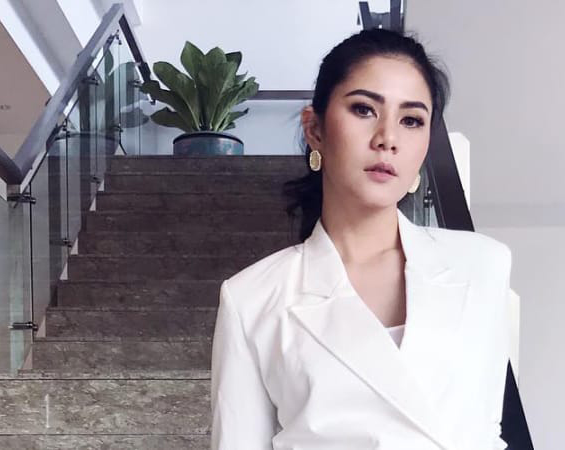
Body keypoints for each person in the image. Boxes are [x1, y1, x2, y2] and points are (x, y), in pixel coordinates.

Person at [211, 27, 513, 449]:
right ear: (315, 129)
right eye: (364, 109)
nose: (387, 138)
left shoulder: (482, 265)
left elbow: (486, 429)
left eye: (411, 120)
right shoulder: (252, 299)